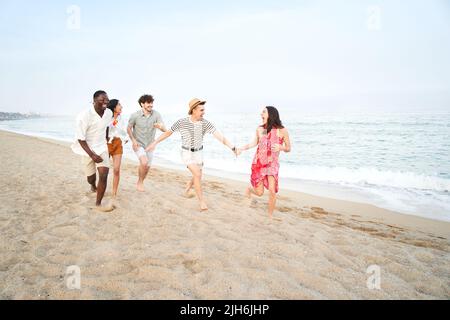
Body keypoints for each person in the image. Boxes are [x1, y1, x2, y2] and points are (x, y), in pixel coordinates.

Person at [148, 98, 237, 211]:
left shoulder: (205, 123)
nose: (203, 112)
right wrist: (155, 142)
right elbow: (168, 133)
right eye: (201, 110)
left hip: (199, 153)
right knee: (198, 175)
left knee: (198, 173)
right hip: (187, 153)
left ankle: (188, 188)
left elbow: (220, 137)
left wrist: (232, 147)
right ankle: (201, 202)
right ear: (193, 110)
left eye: (203, 110)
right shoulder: (182, 122)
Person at [236, 106, 291, 218]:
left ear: (271, 114)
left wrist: (281, 147)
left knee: (271, 190)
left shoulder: (282, 130)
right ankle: (249, 190)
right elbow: (255, 143)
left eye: (263, 112)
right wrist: (241, 148)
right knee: (260, 193)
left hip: (272, 164)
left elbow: (288, 148)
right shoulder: (262, 129)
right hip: (260, 163)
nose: (261, 114)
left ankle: (270, 216)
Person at [71, 90, 114, 212]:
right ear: (94, 101)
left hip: (101, 147)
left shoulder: (108, 113)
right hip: (86, 149)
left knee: (104, 174)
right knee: (90, 178)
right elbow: (81, 138)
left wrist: (106, 137)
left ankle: (98, 203)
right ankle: (92, 186)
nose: (105, 102)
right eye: (102, 100)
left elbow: (107, 126)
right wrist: (92, 155)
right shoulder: (84, 116)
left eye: (107, 100)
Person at [127, 94, 166, 192]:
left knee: (147, 167)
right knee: (144, 162)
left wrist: (160, 127)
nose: (151, 105)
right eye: (148, 103)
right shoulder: (135, 115)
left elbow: (164, 129)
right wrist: (133, 140)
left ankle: (141, 181)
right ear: (142, 104)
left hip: (150, 145)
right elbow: (128, 128)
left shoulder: (156, 114)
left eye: (152, 103)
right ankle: (140, 182)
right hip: (138, 144)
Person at [106, 99, 128, 198]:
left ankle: (114, 193)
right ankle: (99, 187)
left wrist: (125, 138)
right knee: (104, 170)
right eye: (119, 105)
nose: (121, 106)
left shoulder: (121, 118)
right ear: (114, 107)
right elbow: (106, 129)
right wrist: (114, 122)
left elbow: (122, 130)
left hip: (118, 143)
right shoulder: (106, 117)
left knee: (116, 169)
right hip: (106, 143)